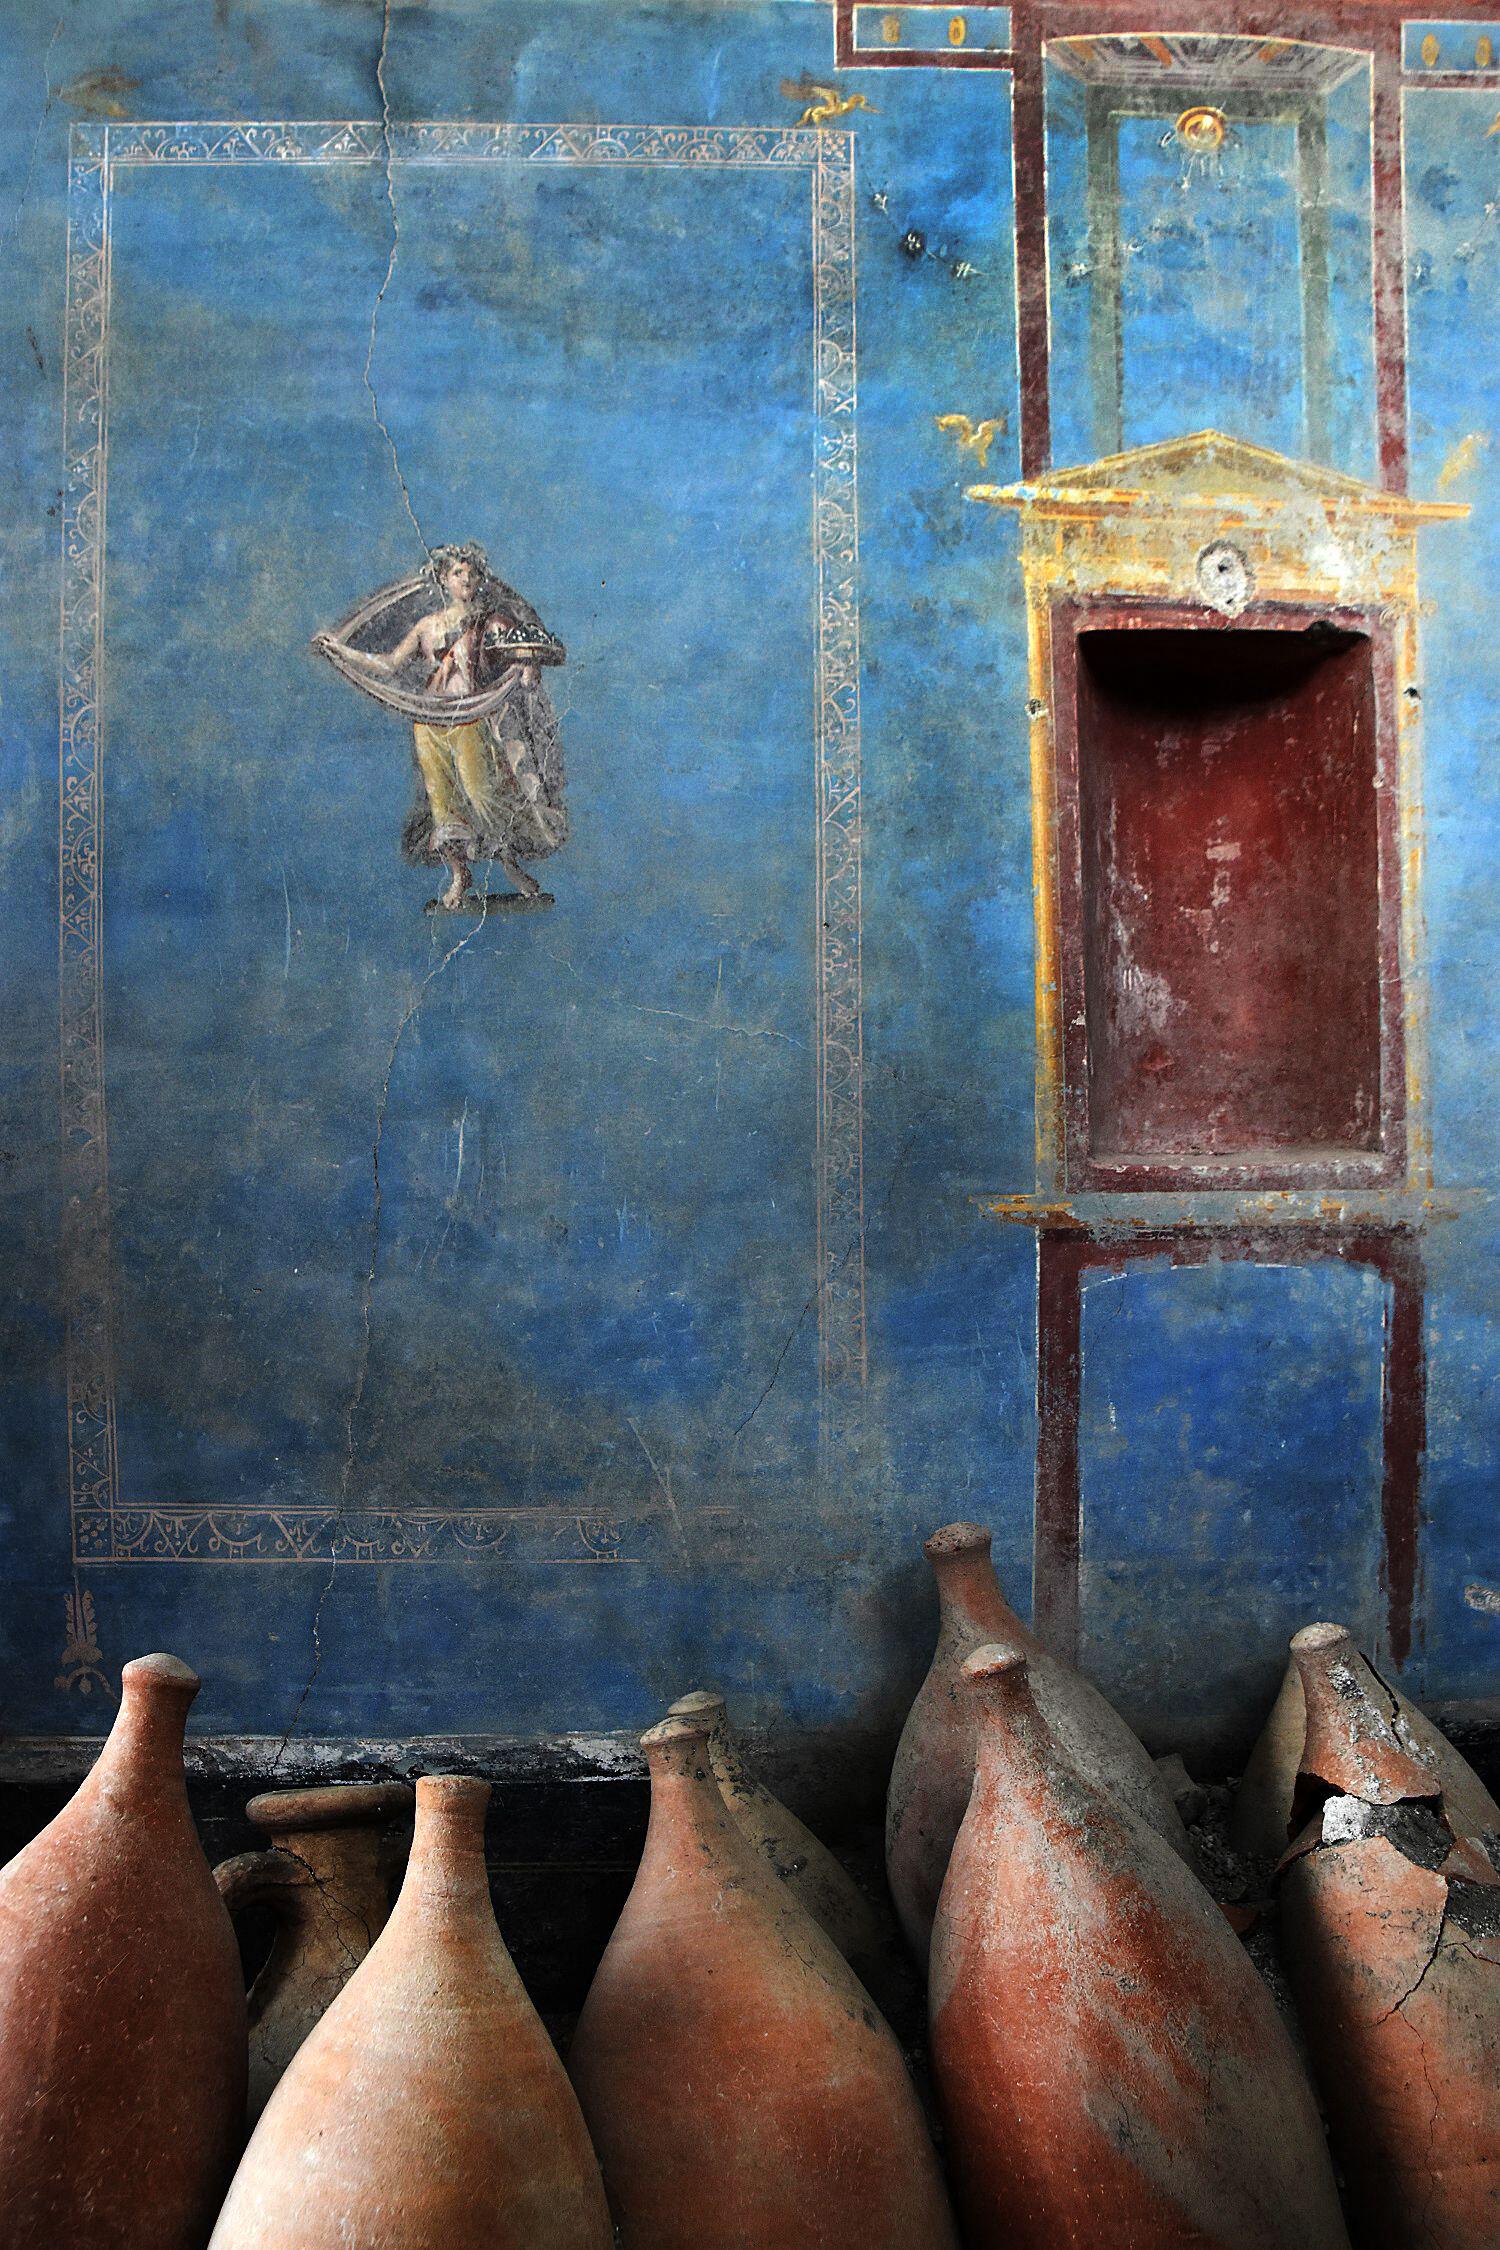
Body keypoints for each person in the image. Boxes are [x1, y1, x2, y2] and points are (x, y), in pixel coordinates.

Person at [315, 542, 567, 909]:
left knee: (483, 794)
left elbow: (521, 655)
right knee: (443, 802)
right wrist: (341, 650)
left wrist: (529, 668)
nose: (465, 579)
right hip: (429, 720)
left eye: (471, 573)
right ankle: (458, 874)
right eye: (457, 573)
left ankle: (510, 865)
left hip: (471, 714)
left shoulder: (492, 621)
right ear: (444, 580)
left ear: (480, 579)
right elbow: (389, 664)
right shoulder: (427, 626)